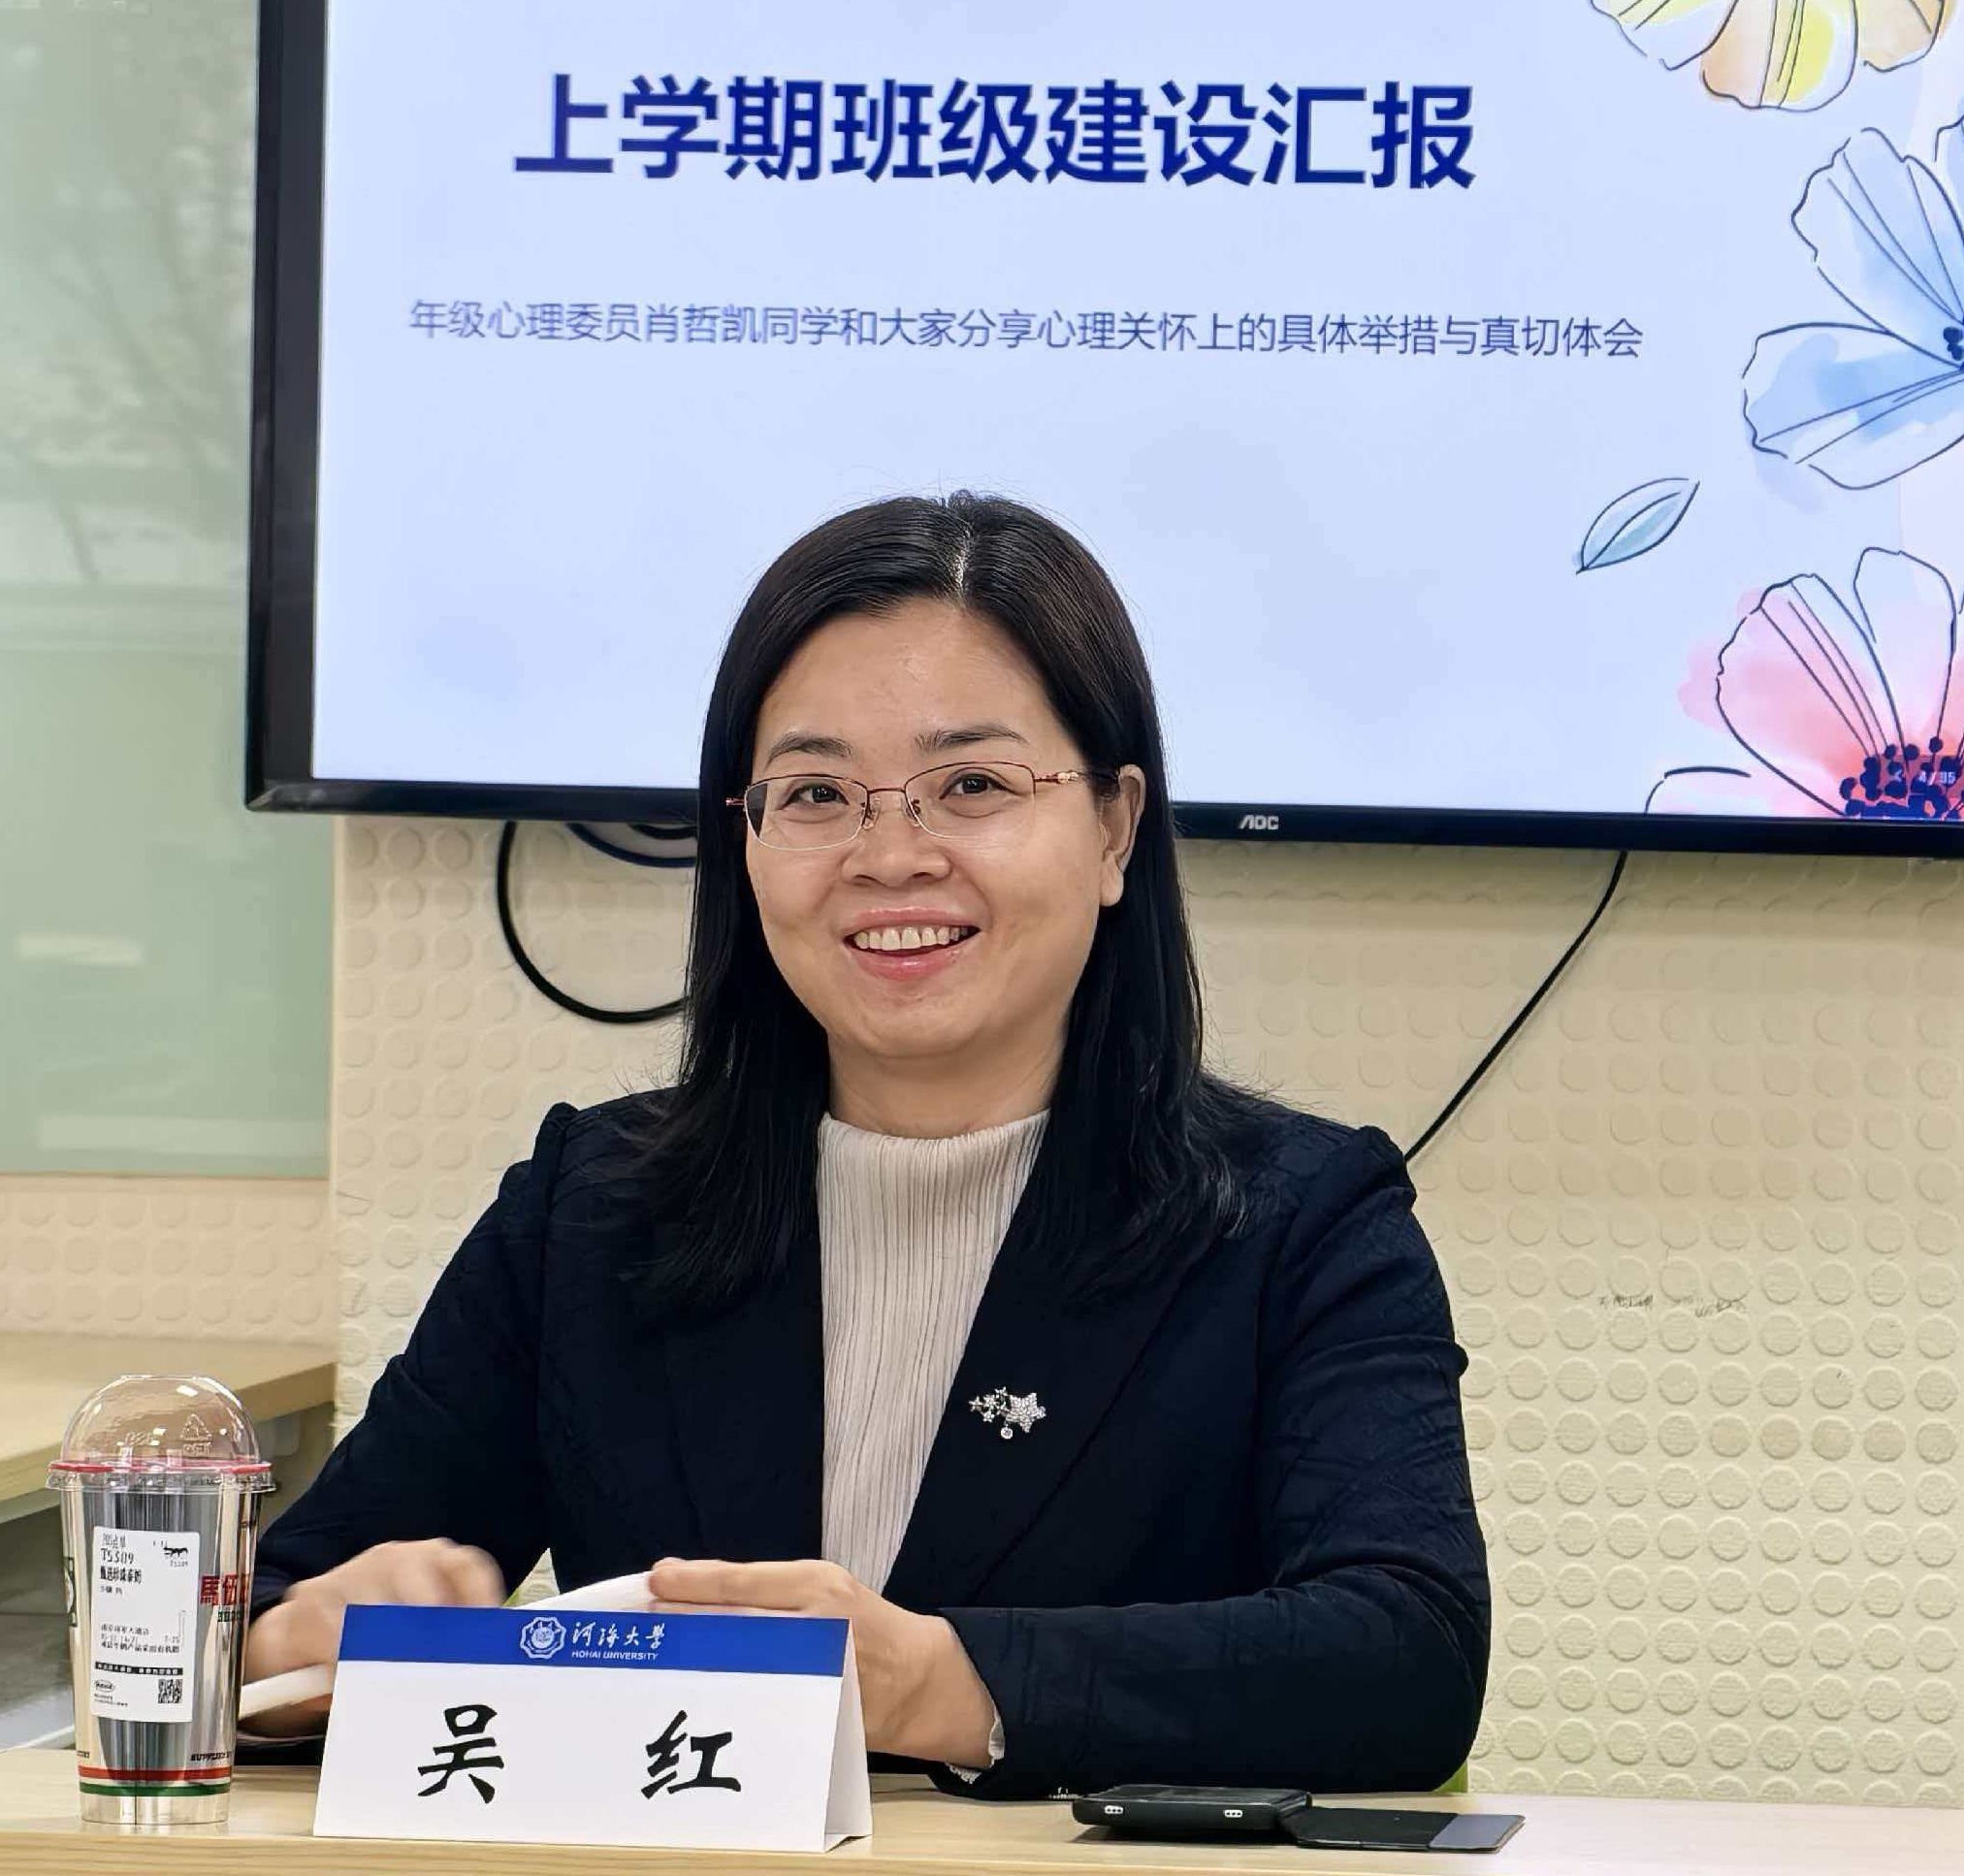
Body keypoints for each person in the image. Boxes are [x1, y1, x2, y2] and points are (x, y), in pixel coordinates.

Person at [243, 493, 1488, 1795]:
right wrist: (291, 1645)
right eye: (817, 794)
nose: (890, 856)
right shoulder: (591, 1209)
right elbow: (275, 1607)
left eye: (972, 785)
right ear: (745, 837)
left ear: (1114, 827)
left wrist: (936, 1681)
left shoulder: (1299, 1219)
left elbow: (1406, 1655)